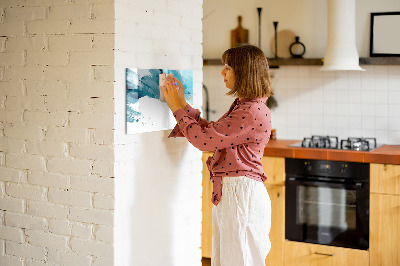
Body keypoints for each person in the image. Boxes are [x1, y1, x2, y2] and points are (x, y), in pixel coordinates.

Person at [161, 44, 273, 266]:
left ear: (244, 72)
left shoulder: (250, 111)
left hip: (241, 195)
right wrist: (182, 104)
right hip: (236, 193)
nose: (222, 72)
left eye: (228, 67)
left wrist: (176, 108)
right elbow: (212, 133)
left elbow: (204, 141)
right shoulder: (246, 106)